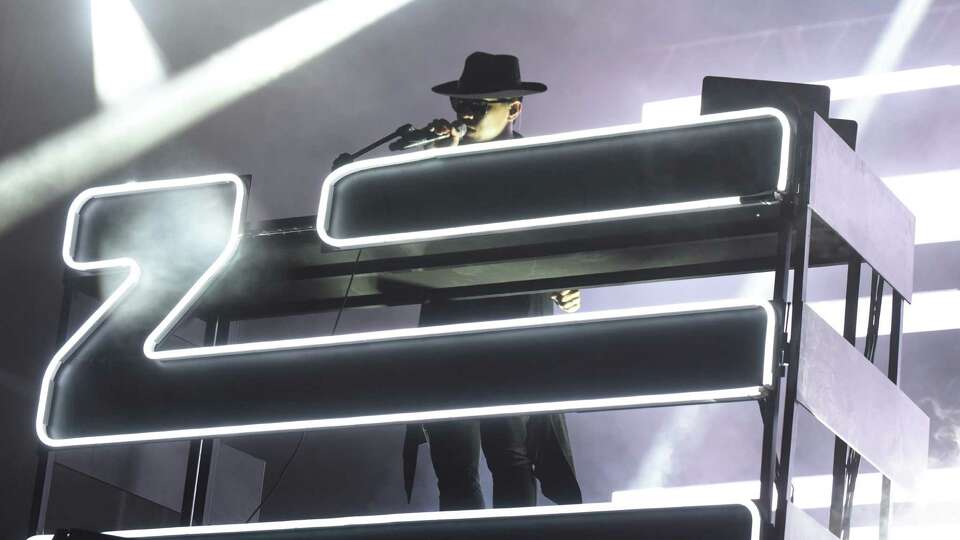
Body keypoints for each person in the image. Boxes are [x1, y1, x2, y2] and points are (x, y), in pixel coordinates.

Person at [402, 51, 583, 511]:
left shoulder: (537, 166)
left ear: (514, 108)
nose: (466, 114)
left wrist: (566, 281)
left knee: (511, 453)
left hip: (511, 323)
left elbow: (561, 235)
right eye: (462, 103)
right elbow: (408, 233)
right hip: (451, 326)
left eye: (479, 105)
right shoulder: (437, 163)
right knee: (453, 462)